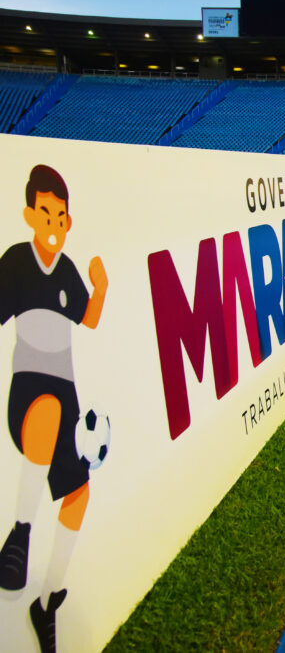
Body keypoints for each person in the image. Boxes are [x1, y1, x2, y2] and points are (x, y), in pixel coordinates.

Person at [0, 164, 107, 653]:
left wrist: (99, 287)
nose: (53, 223)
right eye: (45, 213)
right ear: (29, 214)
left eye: (60, 216)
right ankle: (19, 536)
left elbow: (87, 317)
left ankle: (46, 604)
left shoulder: (66, 270)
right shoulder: (16, 262)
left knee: (79, 493)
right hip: (29, 388)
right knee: (43, 416)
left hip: (67, 393)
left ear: (68, 222)